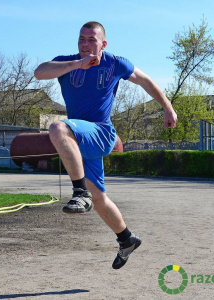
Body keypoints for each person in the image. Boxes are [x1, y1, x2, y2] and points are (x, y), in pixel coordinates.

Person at [34, 21, 177, 269]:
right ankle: (127, 239)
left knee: (58, 127)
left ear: (103, 43)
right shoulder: (66, 63)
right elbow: (40, 72)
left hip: (100, 132)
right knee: (99, 199)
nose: (85, 43)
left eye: (91, 39)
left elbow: (145, 81)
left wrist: (168, 108)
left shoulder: (114, 63)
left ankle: (80, 193)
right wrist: (78, 64)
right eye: (81, 39)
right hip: (79, 140)